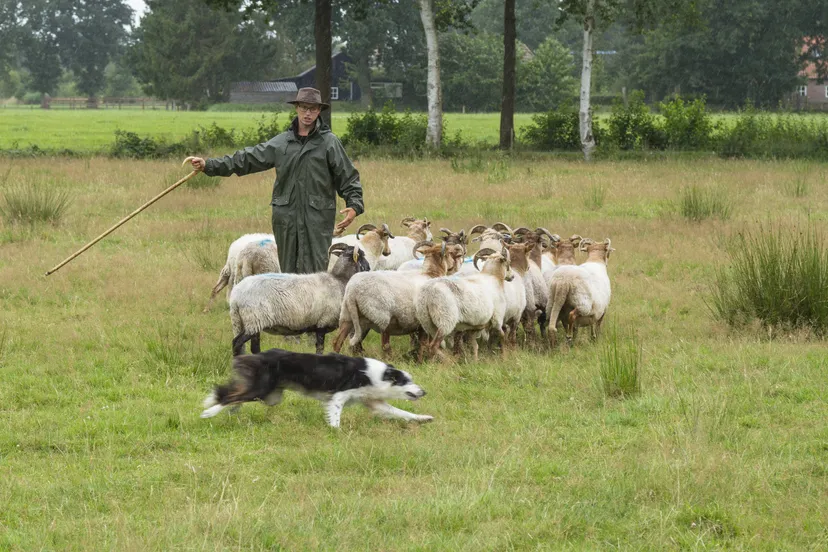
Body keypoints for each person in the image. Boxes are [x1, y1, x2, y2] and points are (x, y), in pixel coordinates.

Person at [186, 87, 363, 274]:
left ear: (319, 111)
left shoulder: (329, 143)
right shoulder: (281, 143)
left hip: (317, 222)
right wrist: (209, 165)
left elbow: (348, 176)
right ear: (297, 108)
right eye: (304, 107)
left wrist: (354, 205)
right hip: (285, 221)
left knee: (315, 277)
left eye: (312, 108)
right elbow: (247, 159)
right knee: (287, 276)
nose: (308, 113)